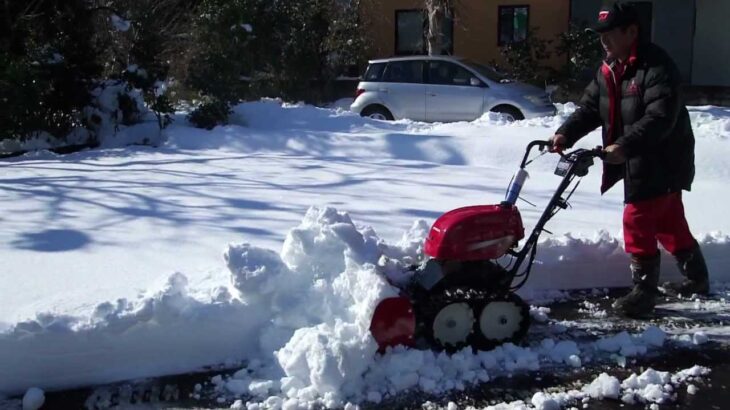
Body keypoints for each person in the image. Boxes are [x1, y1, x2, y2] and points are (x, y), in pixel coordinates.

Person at [550, 1, 709, 317]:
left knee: (637, 219)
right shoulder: (610, 68)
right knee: (667, 221)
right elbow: (591, 108)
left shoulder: (656, 67)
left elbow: (660, 117)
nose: (603, 41)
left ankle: (644, 292)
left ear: (632, 31)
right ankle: (697, 278)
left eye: (610, 34)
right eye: (601, 35)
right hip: (635, 154)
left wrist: (623, 145)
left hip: (661, 156)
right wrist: (565, 133)